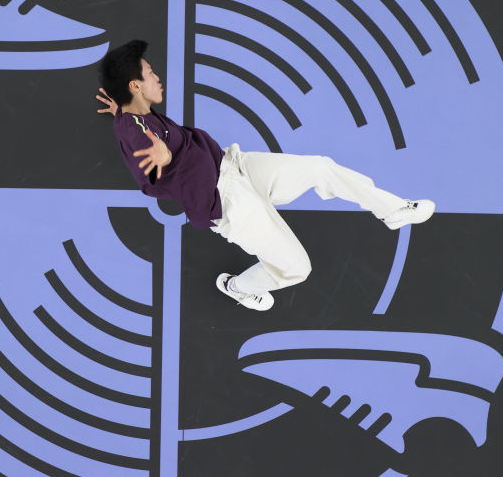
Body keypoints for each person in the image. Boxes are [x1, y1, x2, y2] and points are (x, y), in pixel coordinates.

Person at [96, 40, 433, 311]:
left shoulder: (131, 115)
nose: (157, 77)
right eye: (150, 73)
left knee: (320, 167)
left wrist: (121, 108)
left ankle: (392, 211)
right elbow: (151, 156)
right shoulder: (138, 133)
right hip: (228, 202)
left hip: (234, 165)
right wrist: (164, 155)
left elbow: (133, 123)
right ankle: (238, 287)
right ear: (136, 85)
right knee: (297, 268)